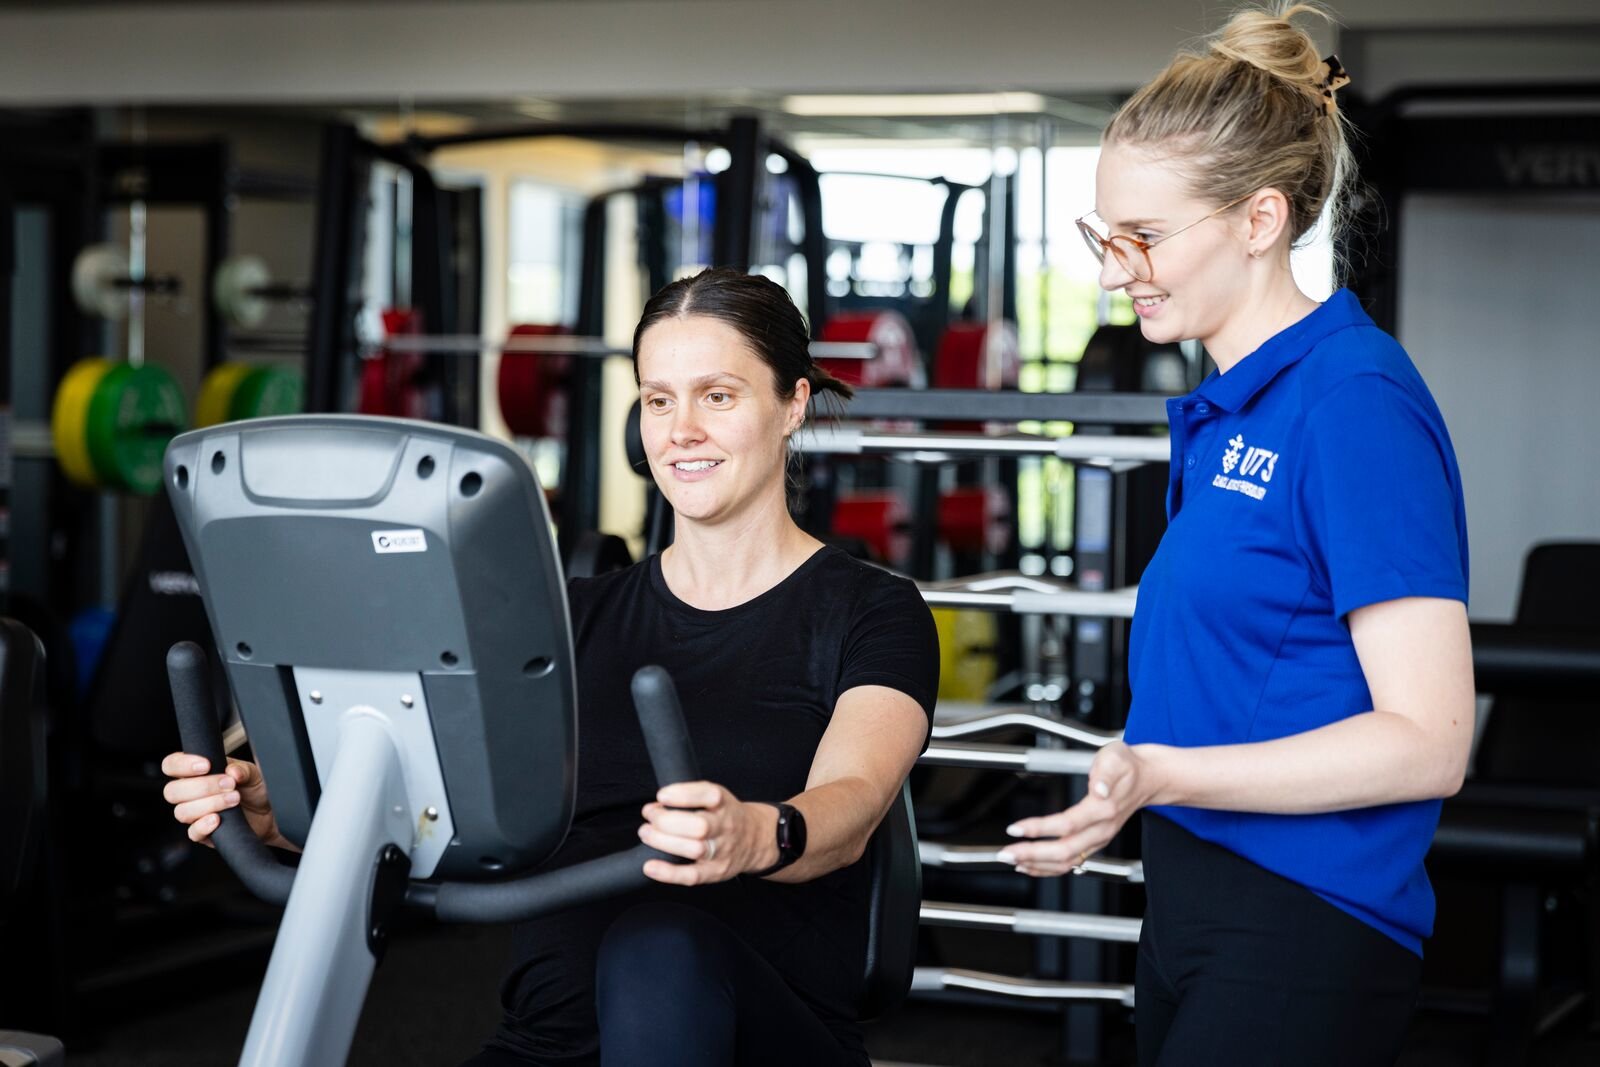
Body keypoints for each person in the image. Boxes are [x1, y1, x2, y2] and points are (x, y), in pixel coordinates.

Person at [159, 268, 939, 1067]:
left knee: (657, 941)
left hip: (761, 1039)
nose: (682, 430)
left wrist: (755, 830)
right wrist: (286, 817)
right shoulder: (568, 621)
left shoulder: (871, 611)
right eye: (659, 399)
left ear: (793, 405)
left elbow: (851, 804)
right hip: (550, 1045)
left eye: (719, 395)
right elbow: (434, 809)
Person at [998, 5, 1473, 1066]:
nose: (1118, 268)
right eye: (1104, 234)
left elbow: (1431, 739)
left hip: (1308, 915)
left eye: (1146, 236)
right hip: (1191, 892)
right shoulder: (1227, 409)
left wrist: (1162, 772)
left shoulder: (1353, 402)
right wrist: (1148, 786)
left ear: (1260, 220)